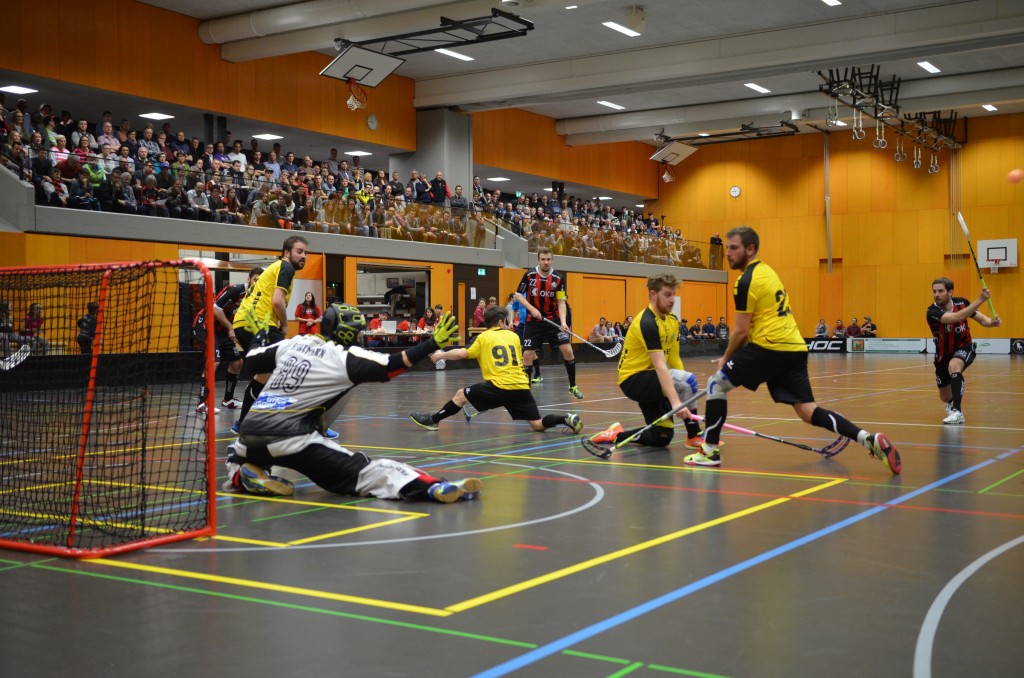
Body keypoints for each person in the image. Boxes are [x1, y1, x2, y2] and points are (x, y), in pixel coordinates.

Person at [681, 226, 901, 474]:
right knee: (807, 411)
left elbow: (741, 331)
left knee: (715, 385)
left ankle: (709, 451)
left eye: (734, 248)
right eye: (727, 248)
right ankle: (867, 439)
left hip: (769, 346)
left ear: (750, 249)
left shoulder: (745, 281)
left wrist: (725, 359)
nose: (728, 253)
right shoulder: (768, 271)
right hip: (794, 348)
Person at [224, 305, 482, 503]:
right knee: (371, 471)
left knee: (236, 455)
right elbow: (391, 367)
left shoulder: (295, 342)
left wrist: (259, 334)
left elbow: (254, 360)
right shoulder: (343, 357)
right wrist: (432, 344)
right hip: (292, 439)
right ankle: (434, 487)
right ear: (348, 333)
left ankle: (240, 473)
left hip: (249, 436)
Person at [410, 306, 583, 434]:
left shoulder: (483, 337)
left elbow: (462, 353)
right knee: (537, 424)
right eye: (506, 321)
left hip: (499, 386)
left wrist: (441, 354)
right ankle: (566, 418)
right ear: (501, 321)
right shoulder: (514, 336)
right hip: (521, 386)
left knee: (460, 395)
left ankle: (432, 421)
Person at [589, 273, 705, 450]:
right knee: (688, 381)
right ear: (653, 295)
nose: (672, 299)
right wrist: (676, 400)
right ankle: (694, 436)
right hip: (634, 380)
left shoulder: (672, 320)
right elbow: (660, 365)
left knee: (661, 436)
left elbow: (674, 359)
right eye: (667, 294)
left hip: (653, 379)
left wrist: (679, 389)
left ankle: (615, 434)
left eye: (674, 294)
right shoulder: (647, 322)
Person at [231, 237, 322, 433]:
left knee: (266, 374)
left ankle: (244, 424)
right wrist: (285, 324)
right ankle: (309, 425)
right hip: (261, 323)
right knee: (291, 369)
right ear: (287, 253)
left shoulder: (276, 268)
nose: (303, 256)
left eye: (306, 252)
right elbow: (277, 301)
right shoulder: (286, 267)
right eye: (299, 251)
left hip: (245, 323)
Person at [927, 277, 1000, 425]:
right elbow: (956, 317)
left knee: (954, 366)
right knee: (944, 396)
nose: (936, 294)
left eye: (940, 291)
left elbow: (982, 320)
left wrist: (991, 323)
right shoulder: (932, 311)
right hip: (942, 354)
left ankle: (957, 412)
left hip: (964, 347)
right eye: (934, 291)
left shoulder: (962, 303)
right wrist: (980, 299)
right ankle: (952, 403)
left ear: (950, 292)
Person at [514, 247, 583, 399]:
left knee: (568, 351)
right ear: (538, 260)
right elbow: (518, 295)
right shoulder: (529, 275)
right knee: (527, 354)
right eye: (543, 259)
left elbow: (561, 301)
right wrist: (532, 309)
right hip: (533, 321)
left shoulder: (558, 278)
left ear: (552, 260)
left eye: (548, 259)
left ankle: (573, 386)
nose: (546, 262)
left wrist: (564, 323)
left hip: (553, 319)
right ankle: (526, 392)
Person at [194, 268, 263, 413]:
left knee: (237, 361)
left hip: (222, 331)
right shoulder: (235, 290)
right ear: (248, 279)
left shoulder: (255, 298)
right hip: (205, 326)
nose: (257, 283)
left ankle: (228, 399)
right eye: (255, 280)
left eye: (260, 281)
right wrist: (231, 328)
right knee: (214, 361)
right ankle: (202, 403)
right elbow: (215, 308)